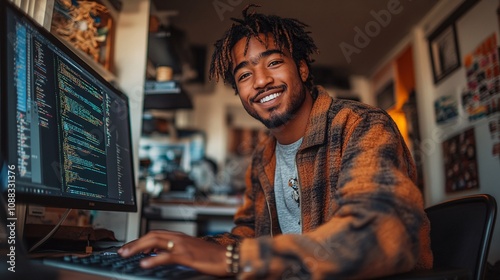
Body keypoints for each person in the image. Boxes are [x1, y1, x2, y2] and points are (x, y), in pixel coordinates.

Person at [119, 4, 433, 279]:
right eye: (244, 75)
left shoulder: (361, 126)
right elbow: (249, 236)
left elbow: (380, 233)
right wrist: (190, 248)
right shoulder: (262, 160)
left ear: (302, 68)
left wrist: (235, 260)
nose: (260, 81)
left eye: (273, 62)